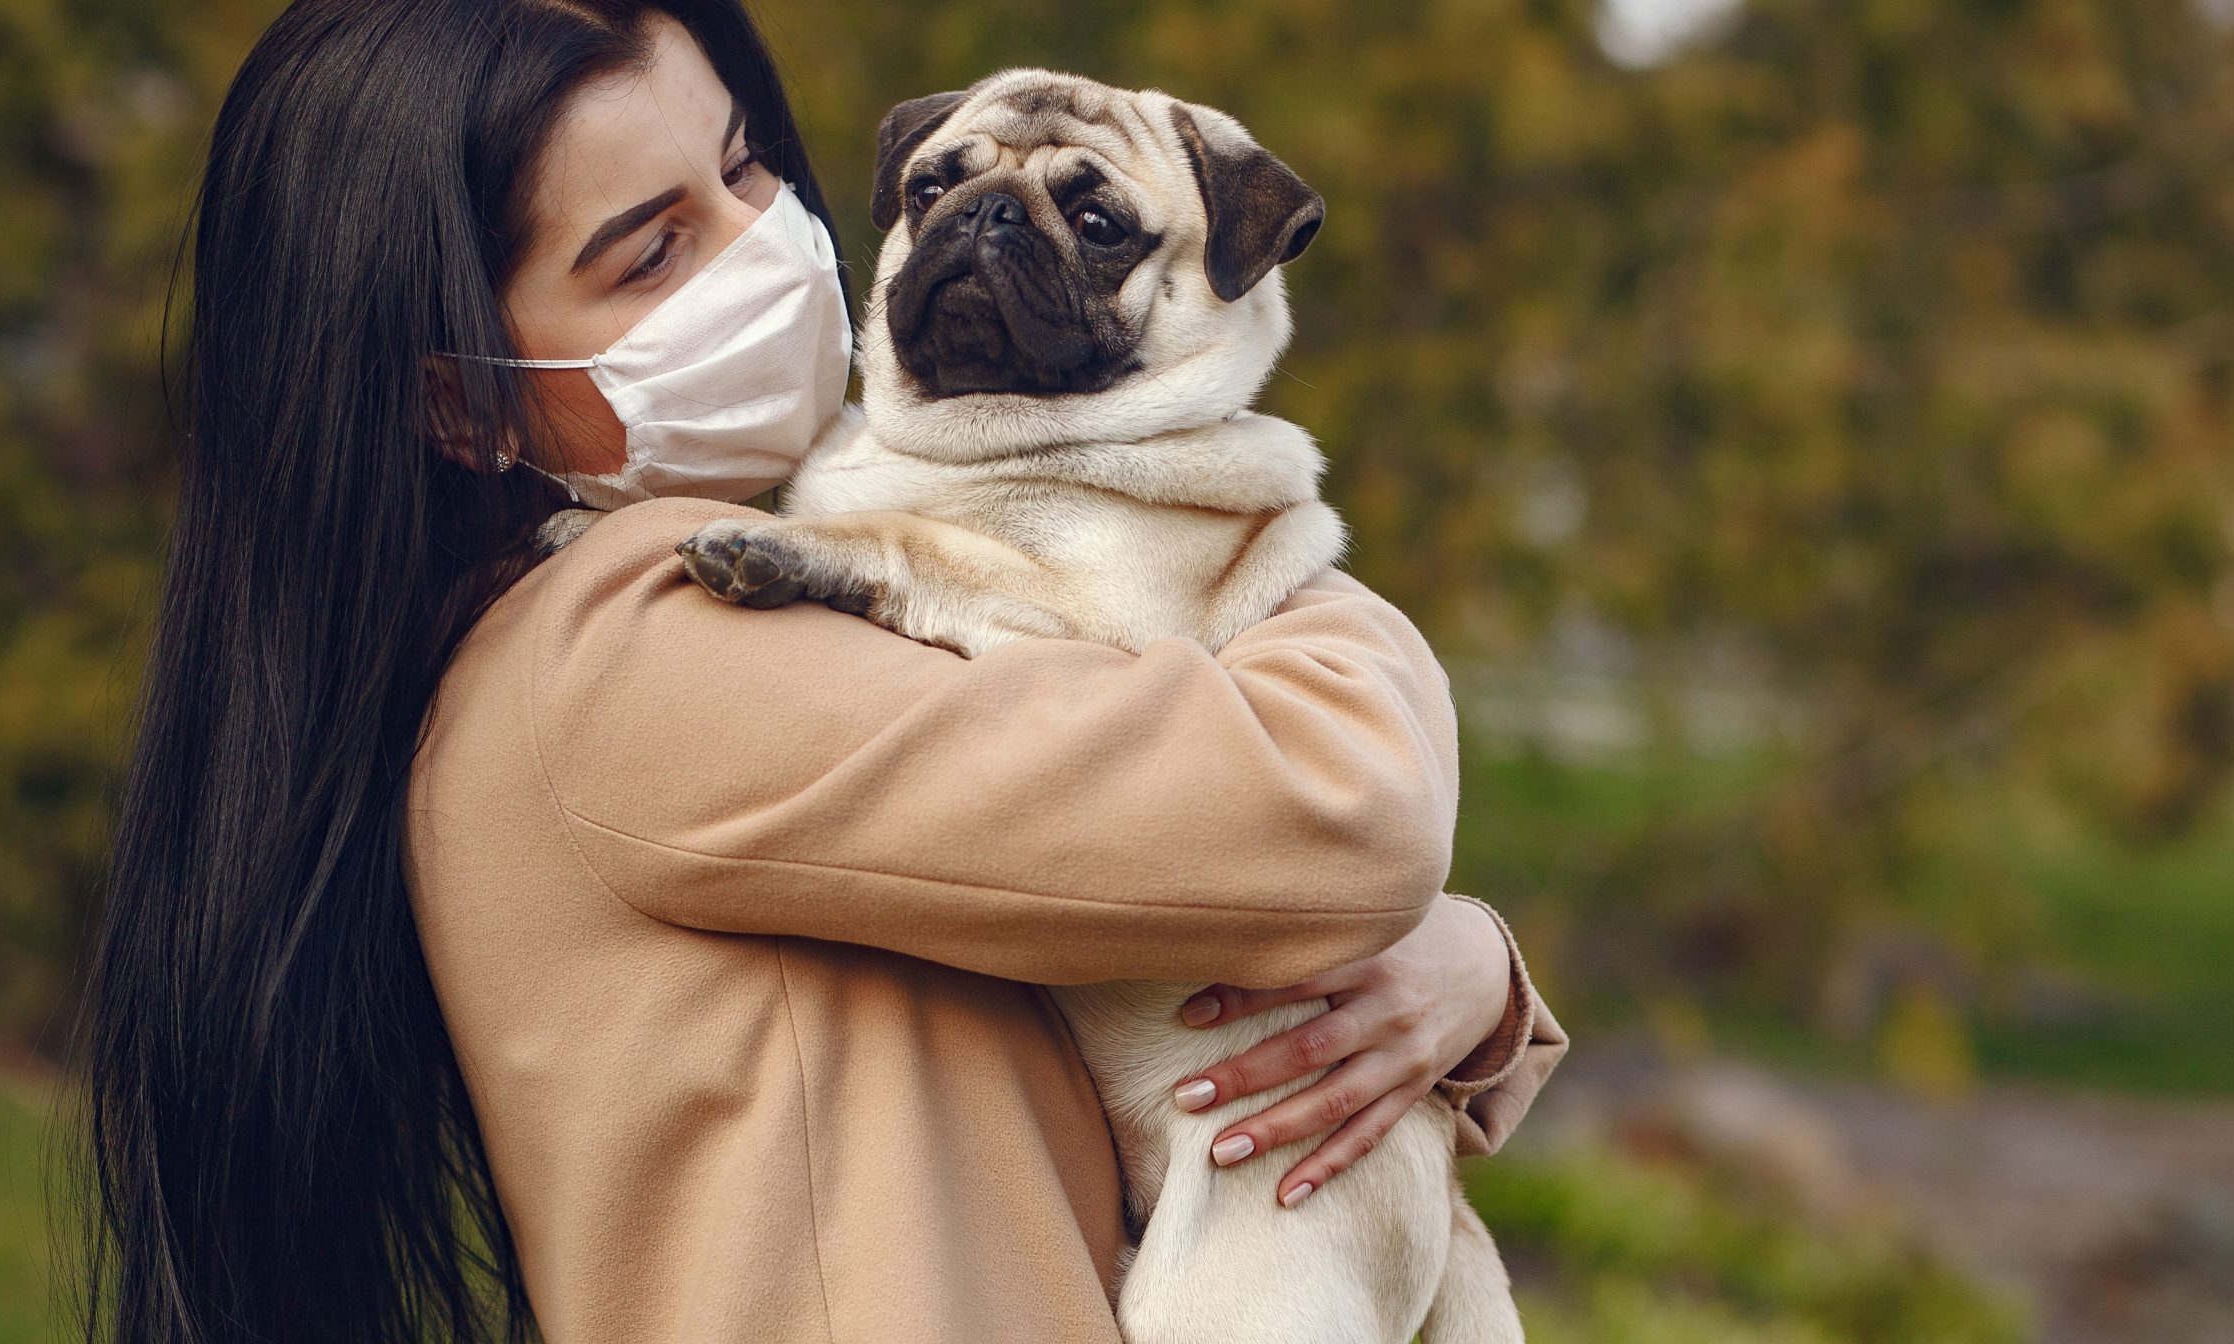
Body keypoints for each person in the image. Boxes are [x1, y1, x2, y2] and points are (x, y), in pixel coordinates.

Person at [80, 1, 1567, 1341]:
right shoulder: (633, 648)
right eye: (653, 252)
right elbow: (1341, 808)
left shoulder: (719, 603)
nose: (756, 244)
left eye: (744, 169)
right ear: (465, 405)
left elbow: (1169, 899)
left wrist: (1466, 985)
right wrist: (1277, 549)